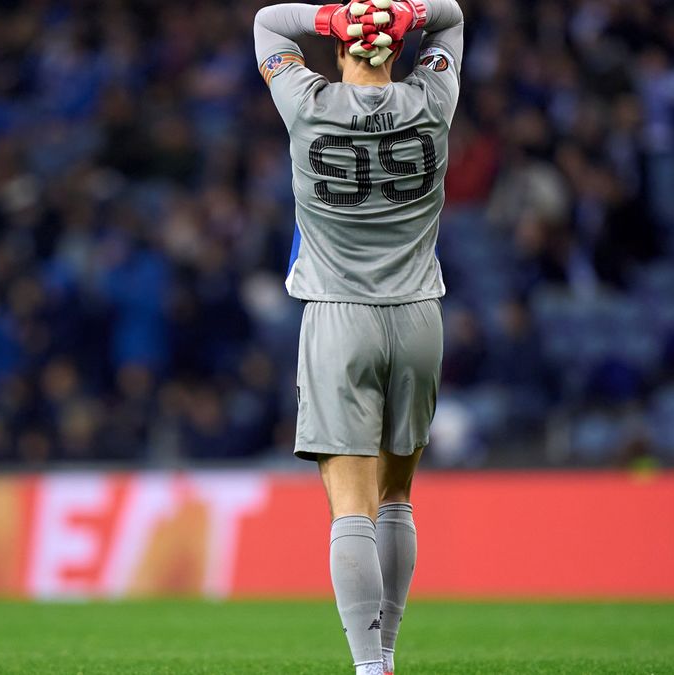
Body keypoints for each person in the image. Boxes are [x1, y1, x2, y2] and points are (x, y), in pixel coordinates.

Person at [253, 1, 464, 674]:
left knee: (352, 504)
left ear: (340, 48)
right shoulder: (433, 100)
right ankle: (391, 651)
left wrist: (331, 17)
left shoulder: (306, 103)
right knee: (398, 496)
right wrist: (404, 13)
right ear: (399, 49)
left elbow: (266, 23)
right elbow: (453, 17)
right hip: (418, 313)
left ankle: (370, 667)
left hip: (339, 314)